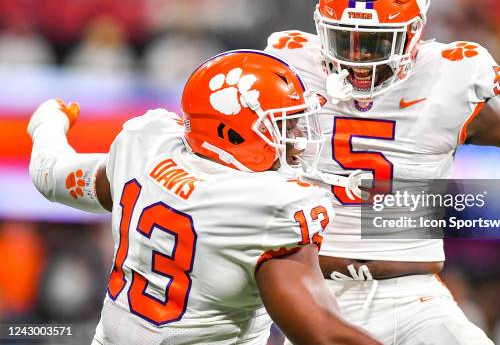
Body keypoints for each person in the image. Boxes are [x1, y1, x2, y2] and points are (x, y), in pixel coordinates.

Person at [263, 0, 500, 344]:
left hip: (413, 297)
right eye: (344, 39)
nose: (356, 59)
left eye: (373, 44)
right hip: (314, 295)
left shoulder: (443, 82)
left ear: (413, 35)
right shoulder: (291, 73)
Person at [27, 50, 381, 345]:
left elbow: (49, 174)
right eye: (284, 127)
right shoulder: (270, 206)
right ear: (234, 134)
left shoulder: (147, 147)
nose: (298, 140)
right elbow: (324, 335)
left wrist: (48, 121)